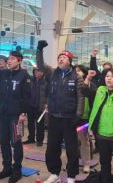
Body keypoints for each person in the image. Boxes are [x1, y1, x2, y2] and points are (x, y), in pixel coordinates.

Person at [36, 40, 85, 183]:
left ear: (69, 61)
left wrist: (78, 115)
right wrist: (39, 50)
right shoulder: (52, 73)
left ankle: (71, 176)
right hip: (54, 118)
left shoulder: (76, 77)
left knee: (72, 150)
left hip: (69, 119)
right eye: (59, 58)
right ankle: (54, 173)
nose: (60, 59)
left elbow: (80, 97)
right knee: (52, 148)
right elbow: (40, 65)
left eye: (63, 58)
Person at [0, 50, 31, 183]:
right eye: (8, 59)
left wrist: (23, 113)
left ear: (19, 60)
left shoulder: (24, 76)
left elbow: (27, 97)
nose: (9, 61)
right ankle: (7, 168)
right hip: (3, 114)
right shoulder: (4, 73)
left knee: (16, 143)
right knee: (3, 142)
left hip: (16, 116)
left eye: (12, 59)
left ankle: (17, 170)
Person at [75, 65, 96, 173]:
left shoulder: (91, 85)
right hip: (73, 117)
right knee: (72, 141)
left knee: (85, 141)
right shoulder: (73, 84)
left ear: (84, 72)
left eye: (79, 71)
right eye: (75, 71)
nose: (77, 72)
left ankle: (86, 163)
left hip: (85, 118)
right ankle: (73, 161)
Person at [23, 67, 48, 146]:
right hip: (30, 105)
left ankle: (39, 140)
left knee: (40, 124)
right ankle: (31, 138)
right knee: (30, 123)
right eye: (36, 71)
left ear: (43, 73)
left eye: (40, 71)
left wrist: (46, 104)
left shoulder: (46, 82)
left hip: (40, 106)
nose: (38, 73)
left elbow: (48, 95)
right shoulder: (30, 80)